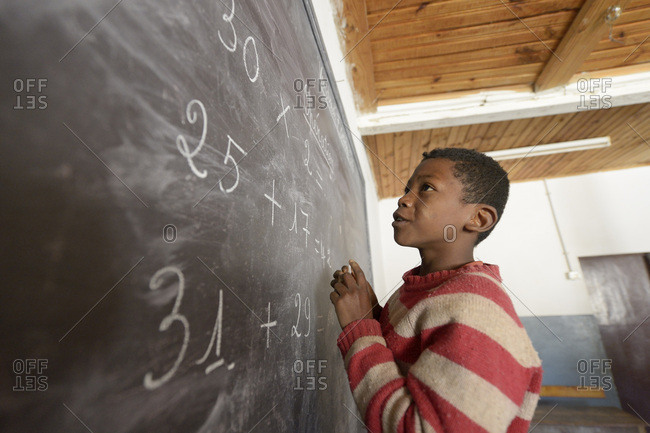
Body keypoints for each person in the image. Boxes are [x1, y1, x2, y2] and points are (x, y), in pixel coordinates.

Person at [329, 147, 543, 433]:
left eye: (426, 188)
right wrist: (374, 316)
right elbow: (406, 361)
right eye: (407, 189)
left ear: (478, 219)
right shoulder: (426, 287)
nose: (403, 199)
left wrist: (361, 327)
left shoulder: (476, 307)